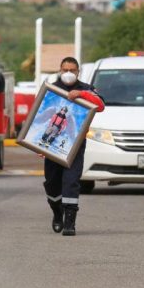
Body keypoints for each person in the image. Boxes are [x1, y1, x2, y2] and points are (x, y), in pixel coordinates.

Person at [43, 57, 104, 236]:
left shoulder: (86, 89)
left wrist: (81, 95)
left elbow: (100, 105)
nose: (68, 73)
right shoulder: (51, 89)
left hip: (75, 144)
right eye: (65, 69)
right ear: (60, 70)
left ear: (78, 72)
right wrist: (37, 144)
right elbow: (39, 115)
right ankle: (57, 213)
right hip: (51, 145)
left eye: (72, 70)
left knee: (71, 181)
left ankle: (70, 223)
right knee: (52, 183)